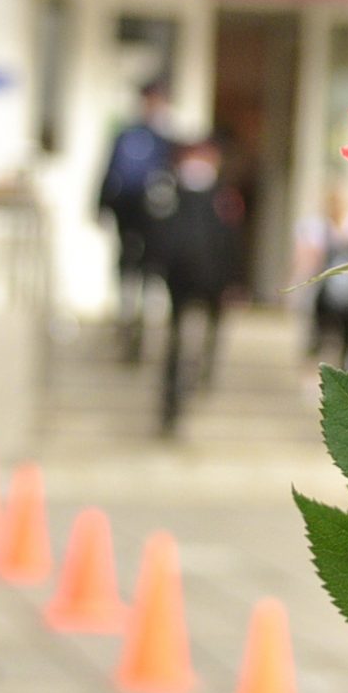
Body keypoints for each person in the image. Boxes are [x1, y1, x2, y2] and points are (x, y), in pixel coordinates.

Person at [141, 132, 249, 437]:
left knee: (207, 333)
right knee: (177, 341)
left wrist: (234, 281)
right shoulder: (171, 193)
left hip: (213, 280)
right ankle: (172, 401)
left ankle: (202, 372)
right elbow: (158, 238)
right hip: (180, 280)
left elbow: (232, 243)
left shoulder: (223, 197)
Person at [95, 74, 175, 364]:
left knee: (148, 271)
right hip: (128, 213)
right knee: (127, 268)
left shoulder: (166, 141)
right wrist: (100, 204)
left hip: (153, 220)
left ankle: (140, 323)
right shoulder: (127, 135)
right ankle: (127, 321)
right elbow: (108, 170)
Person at [293, 186, 348, 376]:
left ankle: (323, 380)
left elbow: (306, 262)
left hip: (339, 295)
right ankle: (333, 379)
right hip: (338, 295)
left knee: (327, 340)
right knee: (336, 340)